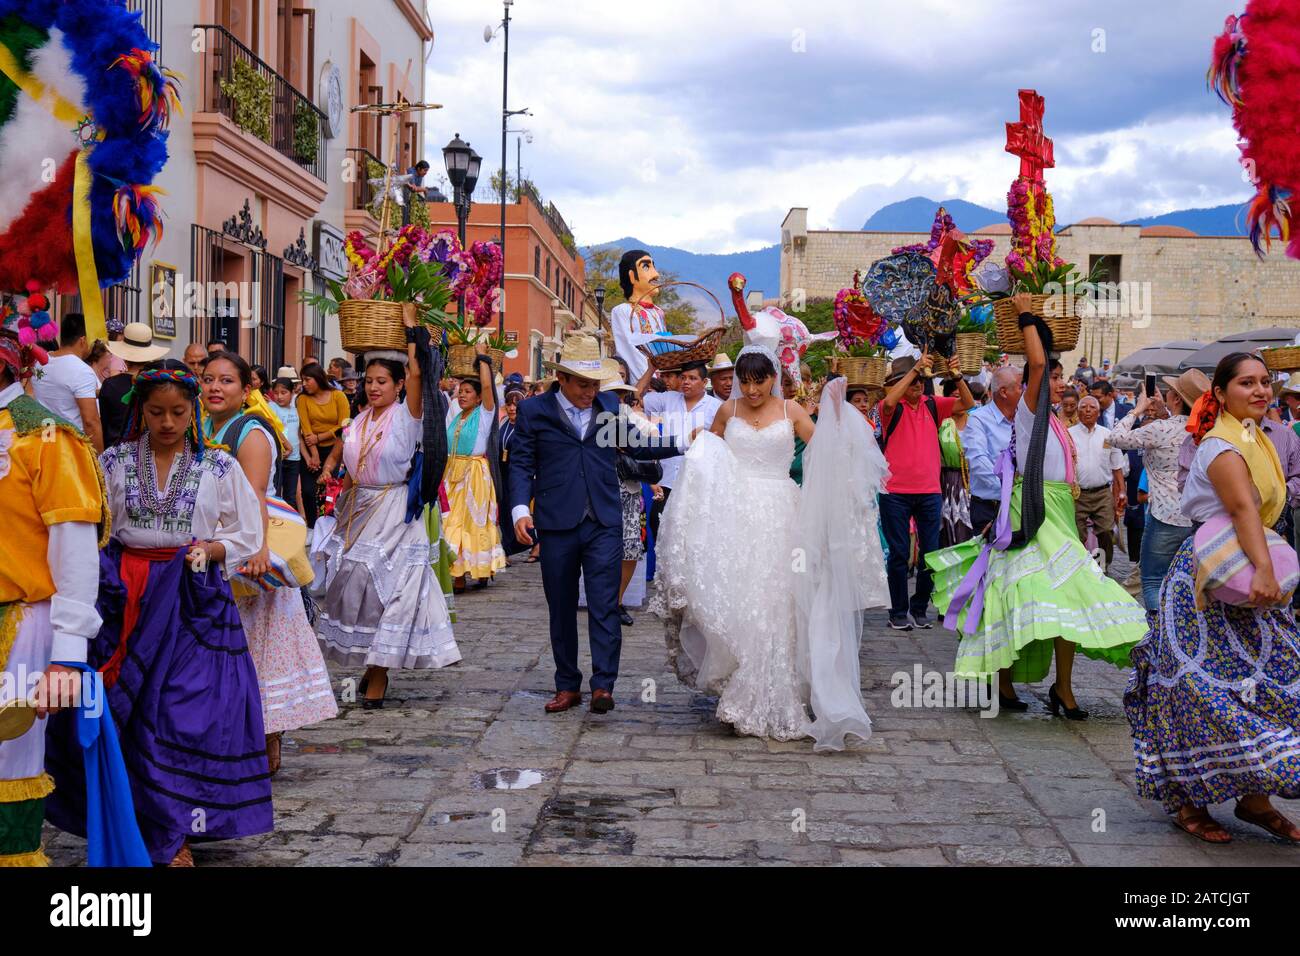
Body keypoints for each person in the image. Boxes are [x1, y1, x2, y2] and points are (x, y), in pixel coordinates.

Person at [45, 363, 272, 867]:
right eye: (156, 412)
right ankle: (140, 826)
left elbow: (247, 532)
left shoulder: (218, 465)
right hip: (125, 594)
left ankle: (177, 828)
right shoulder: (115, 461)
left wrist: (212, 550)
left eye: (177, 412)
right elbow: (96, 527)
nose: (167, 422)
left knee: (180, 712)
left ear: (192, 412)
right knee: (128, 710)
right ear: (140, 412)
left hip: (191, 598)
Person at [653, 346, 887, 749]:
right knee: (743, 598)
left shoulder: (792, 411)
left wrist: (834, 413)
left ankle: (778, 692)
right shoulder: (728, 412)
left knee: (780, 601)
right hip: (736, 516)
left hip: (783, 516)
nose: (751, 388)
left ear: (772, 378)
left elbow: (826, 450)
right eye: (744, 381)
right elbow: (710, 457)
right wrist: (699, 440)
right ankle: (742, 684)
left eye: (758, 380)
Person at [927, 295, 1146, 716]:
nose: (1061, 382)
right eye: (1055, 376)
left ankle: (1063, 688)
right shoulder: (1029, 415)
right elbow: (1039, 367)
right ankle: (1005, 683)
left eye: (1063, 376)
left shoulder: (1056, 422)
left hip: (1059, 512)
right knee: (1017, 592)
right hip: (1033, 512)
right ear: (1028, 386)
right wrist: (1028, 316)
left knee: (1068, 595)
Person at [1124, 352, 1300, 845]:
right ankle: (1188, 801)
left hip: (1245, 573)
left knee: (1273, 679)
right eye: (1247, 383)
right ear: (1220, 394)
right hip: (1208, 580)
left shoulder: (1255, 436)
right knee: (1198, 690)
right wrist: (1267, 572)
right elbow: (1244, 509)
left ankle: (1254, 796)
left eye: (1266, 382)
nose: (1261, 390)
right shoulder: (1223, 446)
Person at [509, 335, 683, 715]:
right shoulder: (534, 412)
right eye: (584, 385)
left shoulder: (607, 406)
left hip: (604, 521)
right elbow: (521, 464)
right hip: (556, 523)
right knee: (561, 606)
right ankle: (566, 684)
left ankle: (603, 685)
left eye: (595, 384)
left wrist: (686, 442)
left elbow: (638, 445)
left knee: (605, 604)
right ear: (564, 380)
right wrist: (521, 510)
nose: (591, 392)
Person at [0, 328, 106, 868]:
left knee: (8, 762)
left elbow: (75, 550)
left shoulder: (43, 436)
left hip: (18, 626)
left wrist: (67, 655)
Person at [201, 353, 336, 773]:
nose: (215, 388)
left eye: (226, 381)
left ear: (246, 390)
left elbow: (254, 495)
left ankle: (267, 737)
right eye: (208, 380)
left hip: (249, 548)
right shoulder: (203, 425)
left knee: (256, 645)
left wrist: (257, 551)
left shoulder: (251, 431)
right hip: (219, 543)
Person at [314, 325, 461, 708]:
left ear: (398, 386)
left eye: (382, 381)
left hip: (395, 511)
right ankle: (371, 662)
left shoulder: (406, 417)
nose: (374, 387)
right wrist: (336, 506)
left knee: (385, 590)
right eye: (370, 381)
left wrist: (413, 332)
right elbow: (351, 468)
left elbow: (416, 372)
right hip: (358, 509)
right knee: (348, 587)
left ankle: (379, 672)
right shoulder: (358, 420)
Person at [877, 352, 975, 630]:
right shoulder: (891, 407)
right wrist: (913, 370)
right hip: (894, 491)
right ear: (900, 382)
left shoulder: (933, 404)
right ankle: (897, 611)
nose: (917, 385)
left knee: (930, 553)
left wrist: (956, 375)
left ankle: (920, 607)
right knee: (898, 553)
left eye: (920, 381)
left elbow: (967, 403)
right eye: (912, 381)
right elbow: (889, 401)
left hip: (929, 491)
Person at [1108, 369, 1208, 612]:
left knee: (1153, 580)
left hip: (1165, 514)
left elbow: (1116, 438)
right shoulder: (1206, 429)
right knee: (1188, 581)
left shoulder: (1160, 429)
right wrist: (1165, 412)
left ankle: (1162, 631)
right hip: (1198, 516)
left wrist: (1138, 409)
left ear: (1175, 398)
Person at [637, 360, 722, 547]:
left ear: (704, 381)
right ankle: (663, 575)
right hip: (666, 480)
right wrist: (651, 369)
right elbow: (635, 396)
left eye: (693, 378)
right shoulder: (667, 399)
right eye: (683, 377)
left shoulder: (716, 407)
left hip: (699, 481)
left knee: (692, 534)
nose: (686, 382)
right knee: (658, 526)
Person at [443, 345, 508, 590]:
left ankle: (476, 570)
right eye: (460, 391)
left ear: (479, 397)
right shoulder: (456, 416)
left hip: (474, 477)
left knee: (473, 524)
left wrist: (483, 359)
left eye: (468, 392)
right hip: (452, 474)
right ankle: (458, 573)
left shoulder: (484, 414)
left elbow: (489, 386)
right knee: (451, 523)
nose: (462, 396)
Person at [1069, 395, 1128, 570]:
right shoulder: (1068, 435)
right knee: (1076, 533)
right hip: (1077, 493)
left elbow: (1117, 467)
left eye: (1092, 407)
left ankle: (1103, 565)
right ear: (1077, 411)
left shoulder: (1108, 436)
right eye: (1083, 407)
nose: (1087, 410)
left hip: (1102, 493)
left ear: (1098, 412)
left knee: (1106, 532)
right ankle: (1078, 568)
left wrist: (1122, 492)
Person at [32, 312, 103, 453]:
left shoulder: (40, 363)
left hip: (45, 441)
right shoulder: (81, 370)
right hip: (71, 449)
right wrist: (99, 459)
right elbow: (90, 421)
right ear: (83, 340)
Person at [965, 365, 1022, 533]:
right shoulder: (978, 419)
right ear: (1004, 392)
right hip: (989, 507)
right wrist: (1009, 491)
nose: (1026, 392)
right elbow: (978, 461)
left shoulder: (1024, 421)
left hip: (1019, 505)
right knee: (988, 557)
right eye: (1021, 387)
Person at [296, 363, 350, 528]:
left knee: (328, 490)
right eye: (302, 380)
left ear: (318, 378)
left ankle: (328, 525)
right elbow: (306, 428)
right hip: (310, 448)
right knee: (308, 491)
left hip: (334, 449)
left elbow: (344, 425)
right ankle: (312, 526)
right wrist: (314, 454)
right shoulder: (302, 399)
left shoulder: (338, 396)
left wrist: (320, 437)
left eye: (307, 379)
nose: (304, 383)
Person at [99, 322, 170, 448]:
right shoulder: (159, 384)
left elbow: (104, 424)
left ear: (124, 357)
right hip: (149, 451)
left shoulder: (110, 385)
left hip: (116, 452)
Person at [610, 250, 673, 385]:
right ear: (632, 276)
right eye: (646, 266)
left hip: (662, 383)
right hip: (641, 384)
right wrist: (650, 381)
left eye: (653, 267)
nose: (656, 274)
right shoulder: (623, 311)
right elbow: (629, 350)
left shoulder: (658, 312)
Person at [939, 378, 973, 547]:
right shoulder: (942, 422)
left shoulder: (976, 420)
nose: (959, 401)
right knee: (951, 526)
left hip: (974, 480)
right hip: (949, 481)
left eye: (962, 397)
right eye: (954, 397)